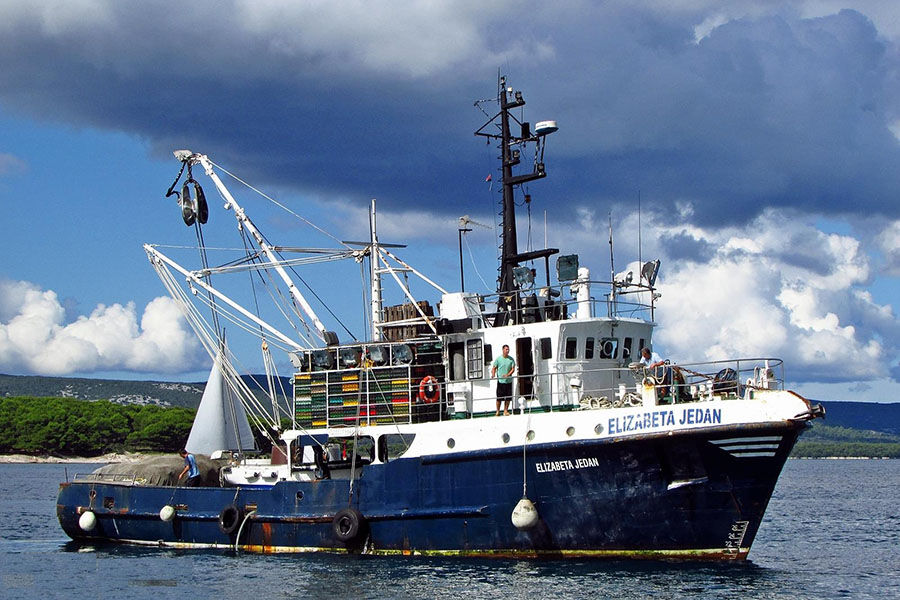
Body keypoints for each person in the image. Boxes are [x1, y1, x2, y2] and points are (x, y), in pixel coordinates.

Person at [491, 344, 516, 416]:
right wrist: (493, 374)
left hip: (508, 381)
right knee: (499, 397)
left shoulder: (511, 359)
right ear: (503, 350)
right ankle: (498, 411)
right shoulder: (498, 359)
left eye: (508, 349)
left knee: (508, 397)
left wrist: (508, 375)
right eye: (506, 349)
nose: (507, 351)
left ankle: (505, 411)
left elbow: (513, 369)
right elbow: (494, 368)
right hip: (501, 381)